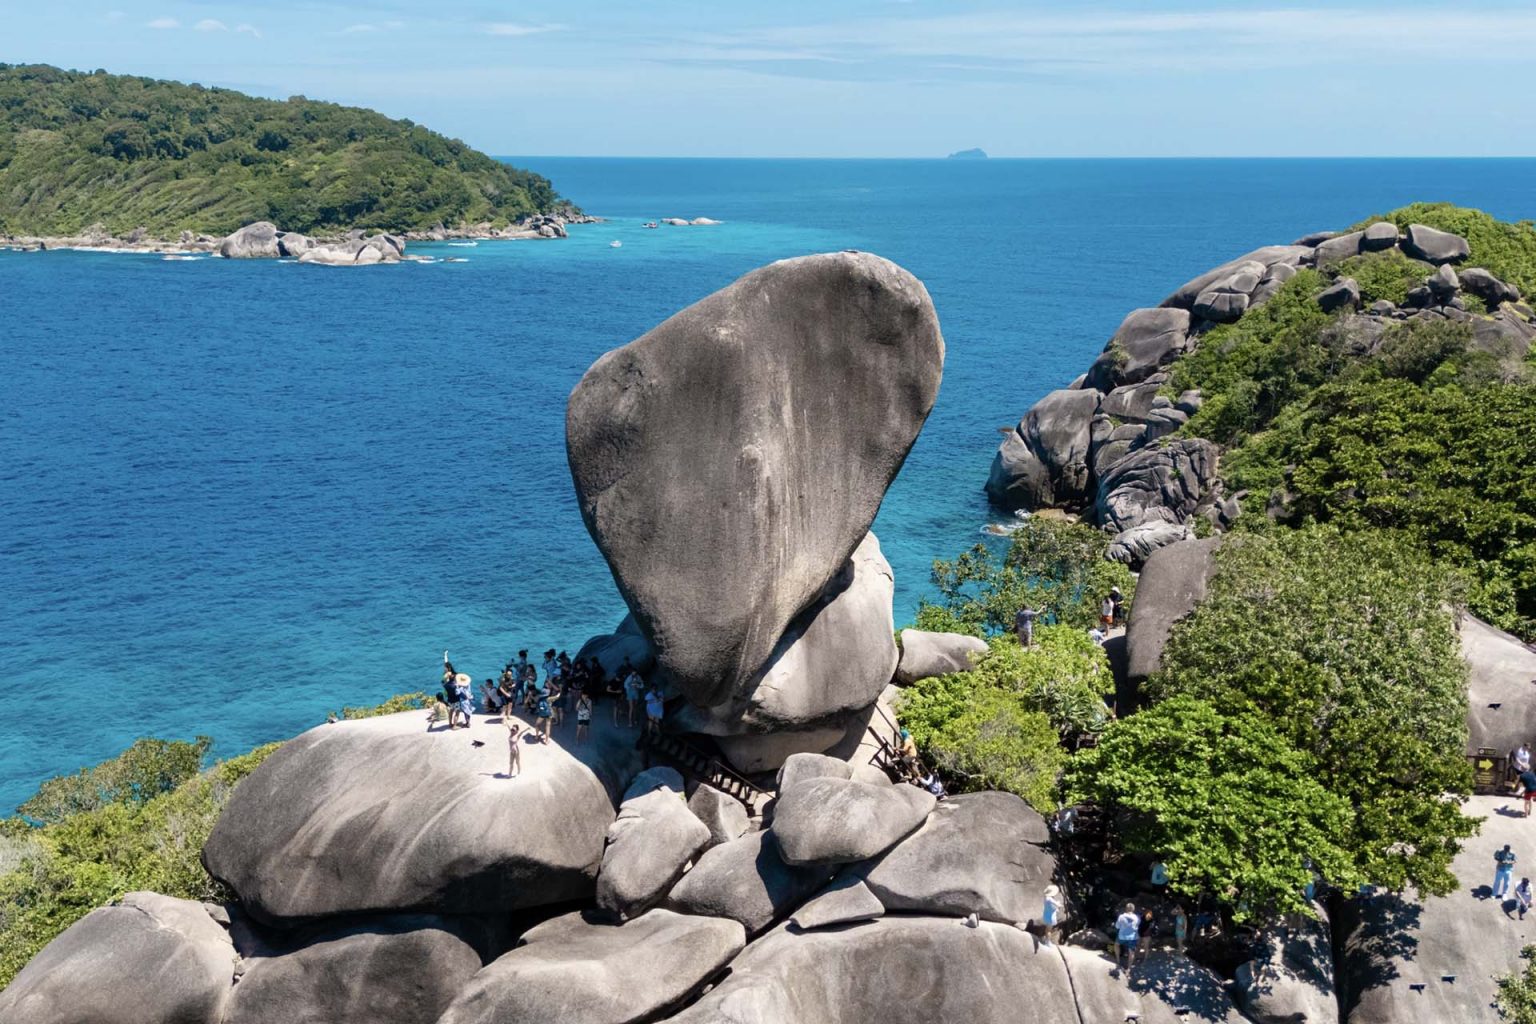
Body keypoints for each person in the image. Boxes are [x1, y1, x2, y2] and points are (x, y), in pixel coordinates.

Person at [1115, 903, 1140, 972]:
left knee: (1116, 945)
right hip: (1133, 937)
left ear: (1126, 909)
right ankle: (1129, 968)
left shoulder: (1121, 916)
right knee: (1131, 952)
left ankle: (1118, 960)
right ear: (1133, 909)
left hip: (1122, 936)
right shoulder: (1137, 917)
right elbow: (1137, 927)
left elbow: (1117, 926)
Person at [504, 711, 524, 778]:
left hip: (516, 751)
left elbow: (521, 732)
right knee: (511, 763)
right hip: (511, 752)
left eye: (514, 729)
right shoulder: (511, 733)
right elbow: (509, 727)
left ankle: (519, 772)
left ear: (516, 730)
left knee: (517, 763)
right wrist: (506, 721)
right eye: (512, 729)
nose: (512, 730)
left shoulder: (517, 735)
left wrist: (527, 729)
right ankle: (509, 774)